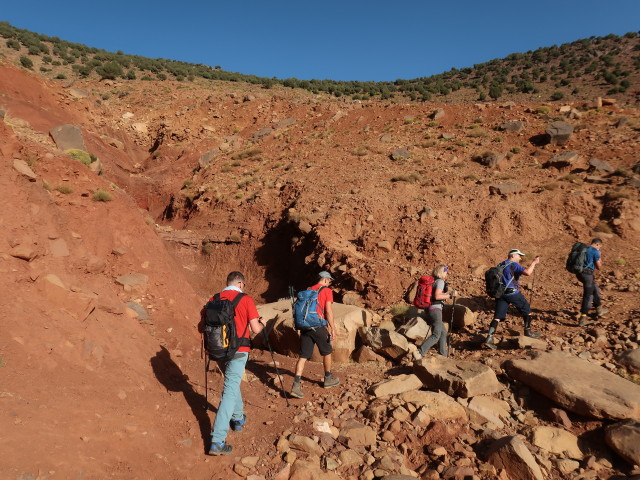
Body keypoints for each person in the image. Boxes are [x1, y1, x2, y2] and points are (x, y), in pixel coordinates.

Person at [204, 271, 265, 456]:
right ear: (240, 284)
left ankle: (238, 420)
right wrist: (263, 323)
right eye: (243, 285)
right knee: (230, 390)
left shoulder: (213, 299)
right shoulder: (245, 299)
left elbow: (202, 326)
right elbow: (255, 328)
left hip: (218, 350)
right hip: (239, 351)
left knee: (232, 382)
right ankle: (217, 440)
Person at [290, 271, 340, 398]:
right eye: (329, 281)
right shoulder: (326, 291)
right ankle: (328, 379)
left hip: (305, 327)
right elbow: (328, 311)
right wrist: (332, 328)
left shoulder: (308, 290)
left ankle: (295, 385)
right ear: (324, 280)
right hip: (318, 326)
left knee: (303, 356)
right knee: (327, 351)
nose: (329, 283)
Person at [483, 249, 541, 350]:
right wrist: (534, 263)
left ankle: (489, 338)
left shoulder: (500, 264)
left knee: (497, 316)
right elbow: (528, 272)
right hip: (512, 293)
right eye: (519, 256)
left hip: (500, 294)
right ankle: (528, 332)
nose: (520, 258)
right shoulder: (514, 264)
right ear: (513, 256)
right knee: (526, 309)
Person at [416, 265, 457, 358]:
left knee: (443, 332)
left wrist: (446, 294)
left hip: (429, 309)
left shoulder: (433, 281)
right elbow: (437, 296)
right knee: (436, 335)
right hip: (435, 310)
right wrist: (450, 295)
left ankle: (443, 356)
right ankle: (419, 352)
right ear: (442, 272)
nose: (447, 273)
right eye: (446, 272)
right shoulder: (440, 282)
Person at [576, 238, 608, 326]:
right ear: (597, 244)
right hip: (587, 275)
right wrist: (600, 256)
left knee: (594, 288)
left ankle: (599, 309)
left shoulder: (584, 248)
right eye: (600, 246)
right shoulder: (595, 251)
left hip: (579, 273)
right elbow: (599, 267)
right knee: (588, 295)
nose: (599, 248)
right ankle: (583, 318)